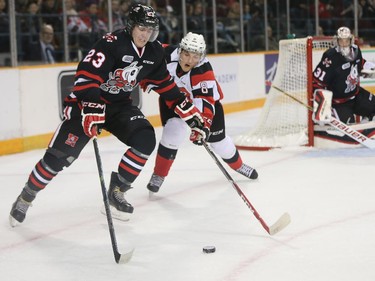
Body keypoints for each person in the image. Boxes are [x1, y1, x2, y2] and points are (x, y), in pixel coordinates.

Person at [9, 4, 209, 226]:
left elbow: (168, 88)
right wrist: (92, 105)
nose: (145, 34)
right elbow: (85, 76)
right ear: (131, 26)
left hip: (119, 106)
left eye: (150, 29)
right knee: (58, 159)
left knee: (145, 139)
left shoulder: (154, 52)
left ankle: (117, 190)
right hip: (86, 104)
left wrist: (192, 117)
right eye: (141, 28)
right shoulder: (111, 44)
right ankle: (27, 196)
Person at [146, 32, 258, 194]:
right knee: (173, 131)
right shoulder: (167, 54)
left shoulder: (203, 70)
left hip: (205, 106)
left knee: (219, 143)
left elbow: (204, 101)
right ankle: (159, 175)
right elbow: (148, 48)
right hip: (174, 101)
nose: (190, 61)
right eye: (186, 55)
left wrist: (202, 127)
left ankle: (239, 165)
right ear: (180, 50)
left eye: (195, 56)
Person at [312, 26, 375, 124]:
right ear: (337, 41)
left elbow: (360, 63)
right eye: (341, 41)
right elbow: (316, 83)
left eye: (346, 41)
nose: (344, 44)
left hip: (356, 95)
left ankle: (364, 125)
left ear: (351, 40)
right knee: (349, 126)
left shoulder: (356, 50)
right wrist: (321, 106)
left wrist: (370, 68)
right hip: (339, 103)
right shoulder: (330, 57)